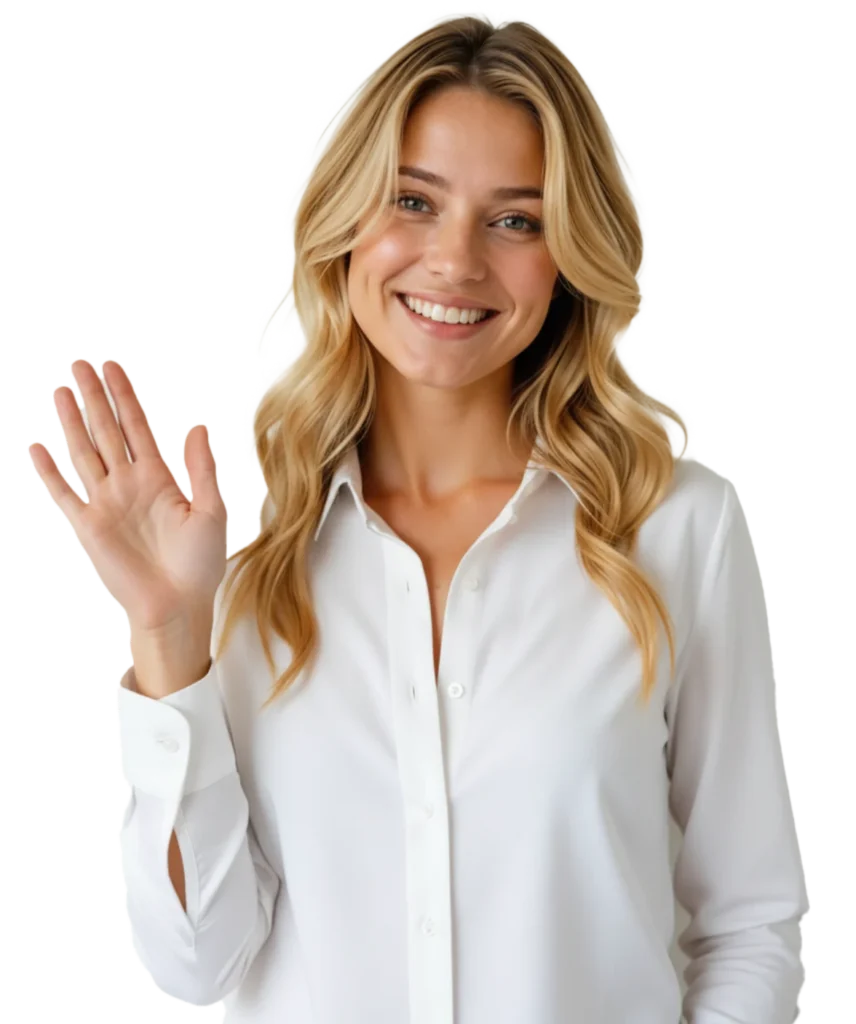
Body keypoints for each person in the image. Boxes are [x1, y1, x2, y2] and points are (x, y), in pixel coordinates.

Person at [29, 11, 807, 1023]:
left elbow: (748, 919)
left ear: (569, 253)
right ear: (347, 220)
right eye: (413, 200)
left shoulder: (672, 529)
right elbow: (194, 963)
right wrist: (172, 635)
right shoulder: (248, 555)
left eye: (516, 218)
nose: (454, 261)